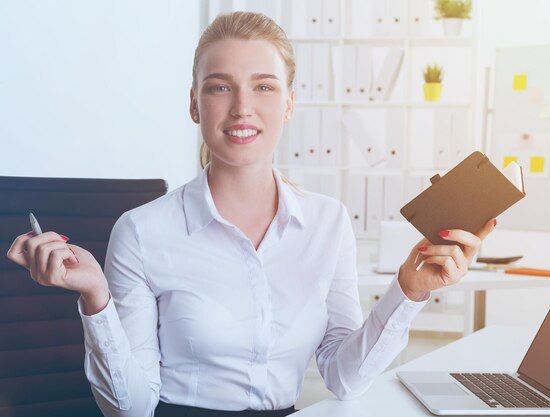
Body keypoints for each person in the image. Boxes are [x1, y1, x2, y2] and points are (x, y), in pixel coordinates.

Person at [6, 11, 495, 417]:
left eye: (264, 87)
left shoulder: (328, 223)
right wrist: (96, 299)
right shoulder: (141, 231)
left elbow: (343, 379)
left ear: (289, 105)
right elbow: (131, 408)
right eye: (220, 88)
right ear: (194, 105)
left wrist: (408, 292)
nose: (242, 108)